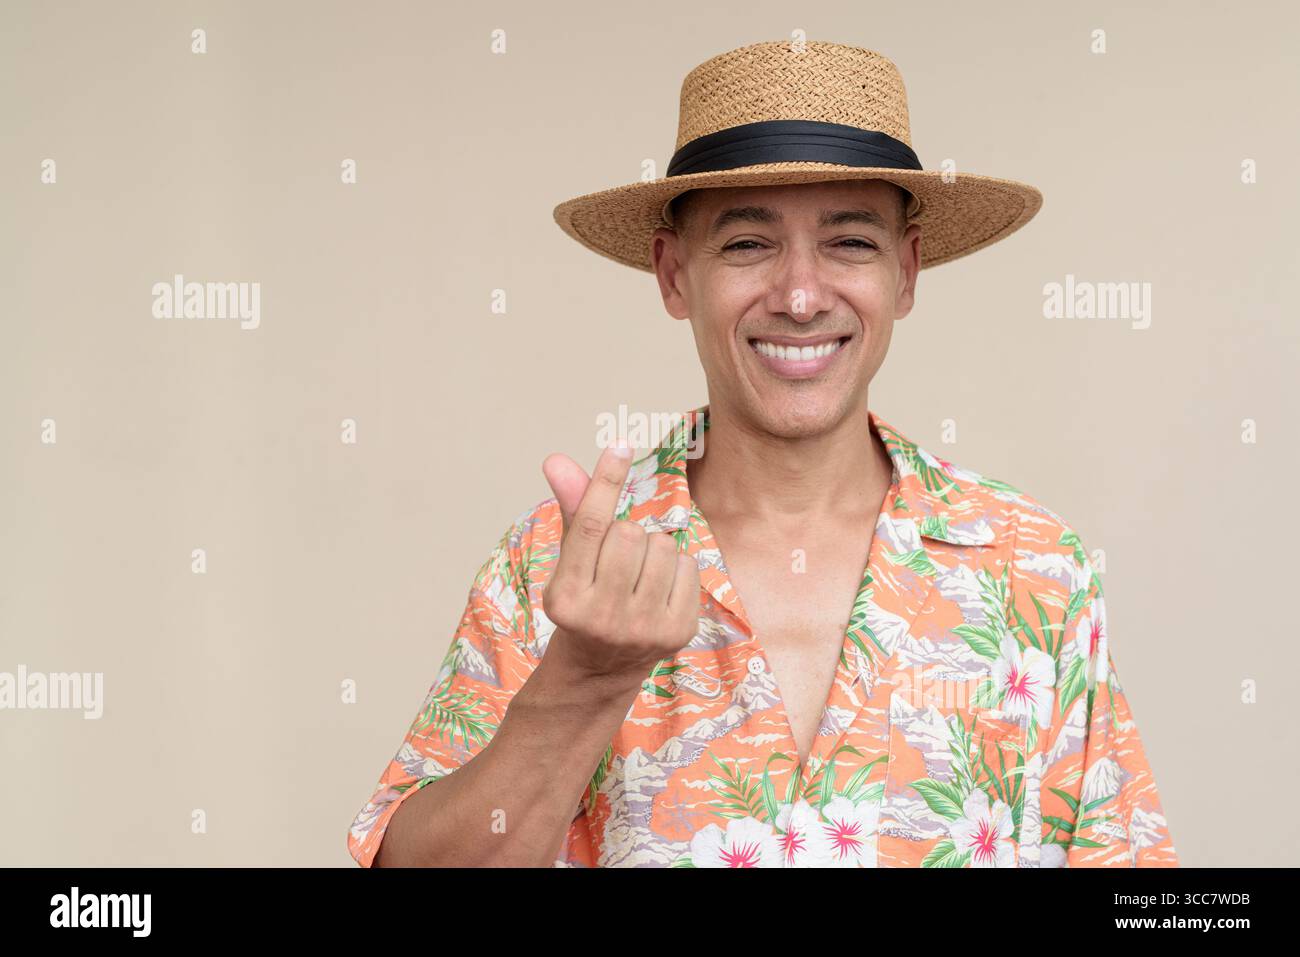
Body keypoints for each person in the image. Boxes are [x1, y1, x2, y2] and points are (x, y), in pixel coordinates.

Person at [347, 38, 1177, 868]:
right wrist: (583, 683)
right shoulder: (554, 569)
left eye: (850, 242)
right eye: (748, 244)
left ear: (907, 270)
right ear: (674, 275)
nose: (802, 295)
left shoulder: (1035, 569)